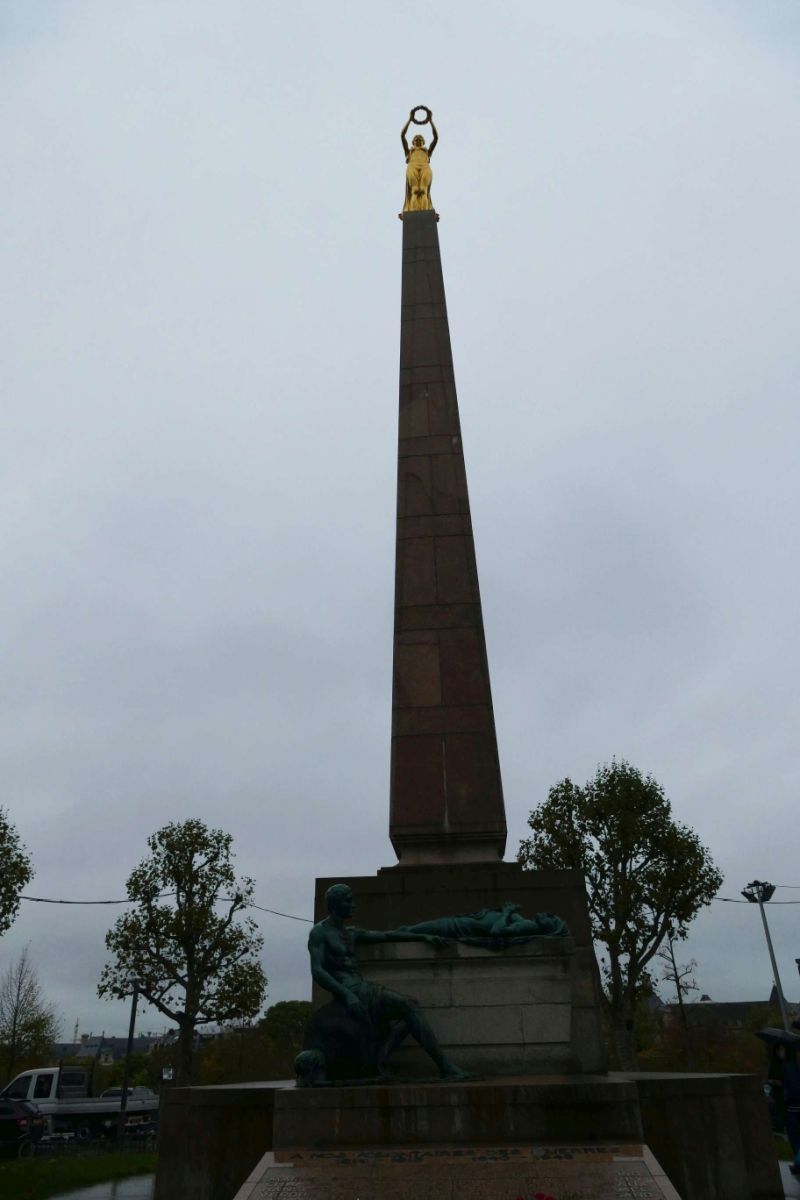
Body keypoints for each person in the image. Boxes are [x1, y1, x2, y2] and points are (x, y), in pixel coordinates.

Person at [307, 883, 471, 1079]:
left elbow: (388, 935)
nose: (353, 905)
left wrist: (423, 936)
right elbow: (317, 970)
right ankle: (445, 1067)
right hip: (352, 992)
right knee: (410, 1007)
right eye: (348, 901)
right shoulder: (320, 932)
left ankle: (381, 1060)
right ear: (335, 904)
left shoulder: (352, 933)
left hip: (363, 990)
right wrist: (347, 995)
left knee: (410, 1008)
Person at [400, 108, 438, 212]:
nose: (418, 140)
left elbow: (435, 138)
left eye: (420, 139)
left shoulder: (427, 152)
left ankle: (425, 211)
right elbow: (402, 135)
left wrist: (431, 121)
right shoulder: (409, 152)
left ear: (423, 142)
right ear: (413, 142)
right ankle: (413, 211)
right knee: (415, 191)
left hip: (425, 167)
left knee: (423, 191)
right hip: (412, 167)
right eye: (416, 139)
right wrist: (409, 120)